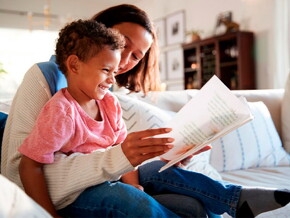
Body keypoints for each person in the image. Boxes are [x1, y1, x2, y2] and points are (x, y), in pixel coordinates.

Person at [18, 19, 290, 218]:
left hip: (114, 179)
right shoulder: (60, 110)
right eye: (105, 70)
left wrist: (137, 185)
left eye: (115, 70)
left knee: (168, 181)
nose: (113, 78)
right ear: (75, 65)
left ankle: (235, 198)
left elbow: (120, 154)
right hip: (80, 194)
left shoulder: (110, 104)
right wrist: (48, 214)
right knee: (125, 198)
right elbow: (29, 165)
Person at [2, 5, 208, 217]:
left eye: (136, 56)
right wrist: (117, 160)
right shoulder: (49, 83)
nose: (124, 62)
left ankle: (237, 200)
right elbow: (22, 167)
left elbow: (112, 149)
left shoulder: (104, 94)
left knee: (186, 198)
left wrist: (171, 154)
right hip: (74, 192)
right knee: (131, 202)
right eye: (123, 44)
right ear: (100, 29)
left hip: (109, 178)